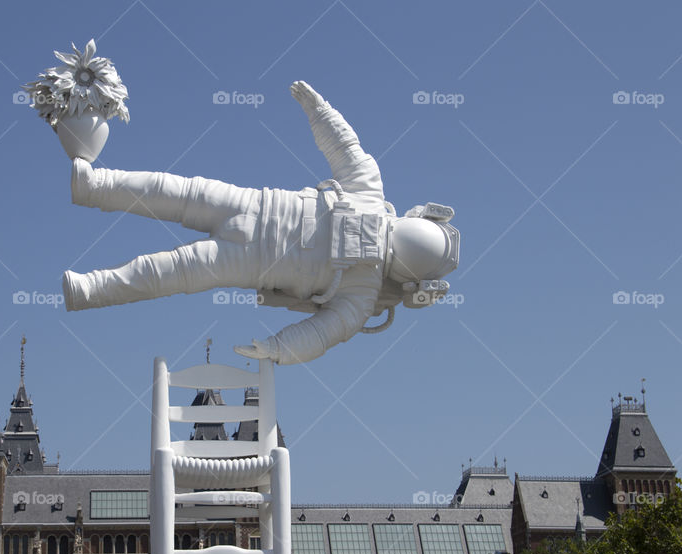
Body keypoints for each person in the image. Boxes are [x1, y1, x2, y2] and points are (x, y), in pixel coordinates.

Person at [63, 81, 459, 364]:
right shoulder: (362, 292)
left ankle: (93, 193)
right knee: (166, 267)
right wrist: (278, 349)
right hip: (250, 247)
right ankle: (88, 286)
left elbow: (345, 147)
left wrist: (318, 109)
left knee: (171, 200)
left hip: (253, 215)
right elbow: (324, 333)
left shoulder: (369, 203)